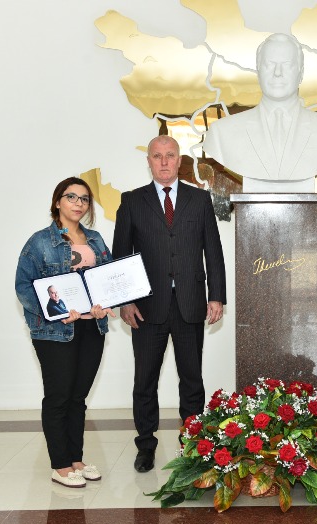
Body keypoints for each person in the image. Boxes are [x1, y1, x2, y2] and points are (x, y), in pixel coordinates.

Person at [113, 135, 227, 473]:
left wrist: (216, 295)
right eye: (157, 156)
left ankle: (191, 444)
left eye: (170, 155)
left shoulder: (199, 199)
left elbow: (213, 251)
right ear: (148, 161)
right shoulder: (132, 201)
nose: (164, 162)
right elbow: (121, 255)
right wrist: (125, 301)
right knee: (144, 381)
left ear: (179, 160)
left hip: (190, 303)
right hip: (147, 307)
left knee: (191, 379)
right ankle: (145, 446)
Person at [15, 177, 115, 488]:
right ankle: (59, 464)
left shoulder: (95, 239)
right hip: (55, 332)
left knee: (78, 398)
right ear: (57, 201)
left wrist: (103, 305)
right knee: (59, 397)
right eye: (71, 197)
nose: (78, 203)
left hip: (91, 327)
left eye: (84, 198)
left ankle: (76, 459)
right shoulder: (39, 242)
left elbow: (107, 280)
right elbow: (23, 287)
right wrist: (56, 312)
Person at [202, 33, 317, 193]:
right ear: (258, 71)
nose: (277, 72)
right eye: (269, 64)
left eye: (287, 65)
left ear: (301, 73)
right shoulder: (221, 133)